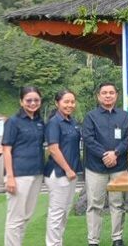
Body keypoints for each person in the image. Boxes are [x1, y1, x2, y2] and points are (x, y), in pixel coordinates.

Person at [83, 82, 128, 246]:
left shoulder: (125, 116)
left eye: (111, 92)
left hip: (119, 167)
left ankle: (117, 238)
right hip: (96, 168)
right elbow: (88, 140)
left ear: (116, 95)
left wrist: (115, 153)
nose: (108, 95)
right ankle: (93, 240)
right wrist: (105, 155)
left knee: (117, 204)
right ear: (98, 96)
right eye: (104, 93)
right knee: (94, 205)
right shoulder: (90, 116)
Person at [2, 86, 45, 246]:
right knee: (15, 218)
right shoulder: (13, 122)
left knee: (26, 215)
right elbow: (6, 150)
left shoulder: (39, 121)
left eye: (36, 100)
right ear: (21, 101)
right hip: (19, 174)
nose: (32, 103)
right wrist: (10, 178)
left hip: (37, 173)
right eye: (28, 100)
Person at [44, 89, 82, 246]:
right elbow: (53, 149)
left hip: (70, 173)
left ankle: (58, 242)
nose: (70, 105)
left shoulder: (72, 122)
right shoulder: (54, 122)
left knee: (65, 212)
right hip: (59, 173)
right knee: (57, 213)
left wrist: (71, 171)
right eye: (66, 102)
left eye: (72, 102)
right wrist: (67, 169)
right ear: (57, 103)